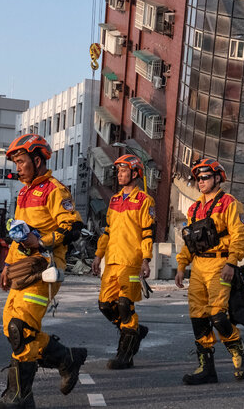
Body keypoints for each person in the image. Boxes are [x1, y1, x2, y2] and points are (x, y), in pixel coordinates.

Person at [0, 134, 87, 409]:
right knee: (13, 329)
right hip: (21, 269)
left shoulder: (55, 190)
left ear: (38, 160)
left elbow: (73, 228)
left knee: (21, 329)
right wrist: (7, 266)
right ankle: (66, 359)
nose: (18, 167)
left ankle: (19, 397)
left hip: (45, 269)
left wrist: (42, 241)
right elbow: (19, 234)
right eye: (16, 162)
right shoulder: (24, 192)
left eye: (22, 161)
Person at [174, 158, 244, 385]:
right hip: (198, 266)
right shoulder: (194, 208)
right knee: (198, 317)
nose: (201, 182)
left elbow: (239, 236)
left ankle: (236, 349)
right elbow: (189, 241)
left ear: (218, 178)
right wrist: (181, 266)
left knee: (218, 315)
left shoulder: (229, 203)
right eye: (198, 178)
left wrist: (232, 262)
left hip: (220, 264)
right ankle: (206, 368)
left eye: (205, 177)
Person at [91, 154, 154, 369]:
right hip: (112, 261)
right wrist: (99, 256)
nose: (119, 174)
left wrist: (146, 259)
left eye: (124, 171)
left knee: (125, 305)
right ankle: (134, 331)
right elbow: (106, 232)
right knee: (105, 306)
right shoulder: (115, 200)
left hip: (132, 261)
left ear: (135, 173)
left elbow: (148, 232)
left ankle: (124, 355)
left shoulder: (145, 201)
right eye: (118, 171)